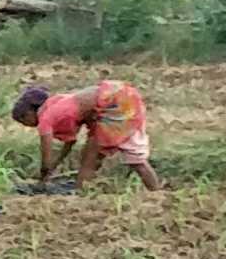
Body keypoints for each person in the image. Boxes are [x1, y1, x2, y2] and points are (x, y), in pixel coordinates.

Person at [14, 78, 162, 191]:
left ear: (29, 113)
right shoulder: (56, 102)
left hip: (113, 105)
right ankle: (157, 194)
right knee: (133, 158)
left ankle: (80, 195)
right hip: (121, 95)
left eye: (23, 120)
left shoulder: (45, 119)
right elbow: (69, 143)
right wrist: (54, 167)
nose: (26, 125)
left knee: (89, 159)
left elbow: (46, 155)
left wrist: (43, 177)